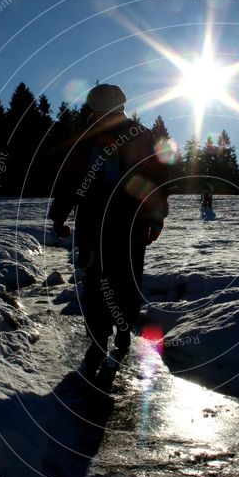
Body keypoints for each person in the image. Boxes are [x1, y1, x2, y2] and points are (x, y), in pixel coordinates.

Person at [48, 83, 170, 378]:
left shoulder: (139, 136)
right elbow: (70, 179)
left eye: (110, 112)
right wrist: (59, 217)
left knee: (126, 282)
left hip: (130, 226)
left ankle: (124, 331)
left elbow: (155, 180)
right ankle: (98, 341)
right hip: (92, 226)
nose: (104, 117)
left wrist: (155, 220)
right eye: (100, 113)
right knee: (94, 285)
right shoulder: (85, 141)